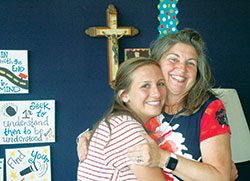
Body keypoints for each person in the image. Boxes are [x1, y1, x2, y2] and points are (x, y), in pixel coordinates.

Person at [77, 28, 238, 180]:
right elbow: (116, 133)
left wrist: (162, 158)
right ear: (156, 63)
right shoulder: (146, 105)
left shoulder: (209, 109)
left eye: (191, 63)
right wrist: (86, 138)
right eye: (173, 59)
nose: (182, 69)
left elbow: (219, 177)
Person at [77, 57, 168, 180]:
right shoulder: (125, 128)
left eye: (160, 84)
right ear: (124, 96)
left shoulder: (117, 122)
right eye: (145, 86)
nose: (157, 93)